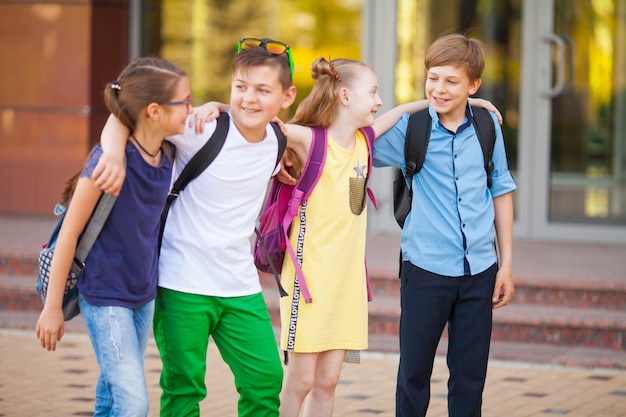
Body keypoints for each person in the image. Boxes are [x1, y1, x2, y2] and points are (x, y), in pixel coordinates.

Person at [192, 56, 501, 417]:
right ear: (343, 96)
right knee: (301, 381)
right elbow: (257, 121)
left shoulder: (364, 141)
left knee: (328, 381)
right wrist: (217, 107)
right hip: (308, 286)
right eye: (371, 92)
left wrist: (471, 103)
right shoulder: (309, 140)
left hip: (346, 286)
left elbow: (402, 109)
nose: (378, 100)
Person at [95, 39, 297, 417]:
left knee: (265, 379)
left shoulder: (278, 138)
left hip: (239, 284)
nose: (249, 99)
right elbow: (128, 112)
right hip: (182, 281)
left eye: (263, 91)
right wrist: (111, 153)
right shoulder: (201, 128)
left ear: (287, 97)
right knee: (184, 388)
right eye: (240, 88)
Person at [35, 57, 189, 416]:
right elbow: (69, 235)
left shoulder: (167, 153)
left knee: (112, 392)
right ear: (154, 111)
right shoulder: (106, 165)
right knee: (134, 403)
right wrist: (52, 307)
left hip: (142, 293)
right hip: (104, 295)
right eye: (184, 101)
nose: (190, 109)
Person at [373, 33, 517, 417]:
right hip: (425, 269)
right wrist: (409, 106)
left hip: (479, 270)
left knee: (470, 377)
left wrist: (506, 266)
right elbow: (356, 138)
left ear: (473, 85)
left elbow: (501, 190)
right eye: (432, 78)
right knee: (414, 374)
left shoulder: (488, 126)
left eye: (452, 81)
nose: (439, 89)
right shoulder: (411, 129)